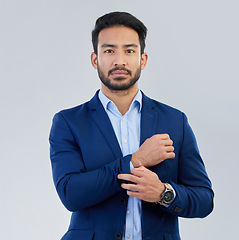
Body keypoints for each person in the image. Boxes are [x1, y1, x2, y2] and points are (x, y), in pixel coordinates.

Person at [49, 11, 214, 240]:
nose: (119, 60)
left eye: (129, 50)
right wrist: (135, 161)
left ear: (142, 59)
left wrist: (163, 193)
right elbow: (70, 194)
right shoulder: (69, 122)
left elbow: (204, 200)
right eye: (109, 50)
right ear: (95, 59)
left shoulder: (175, 121)